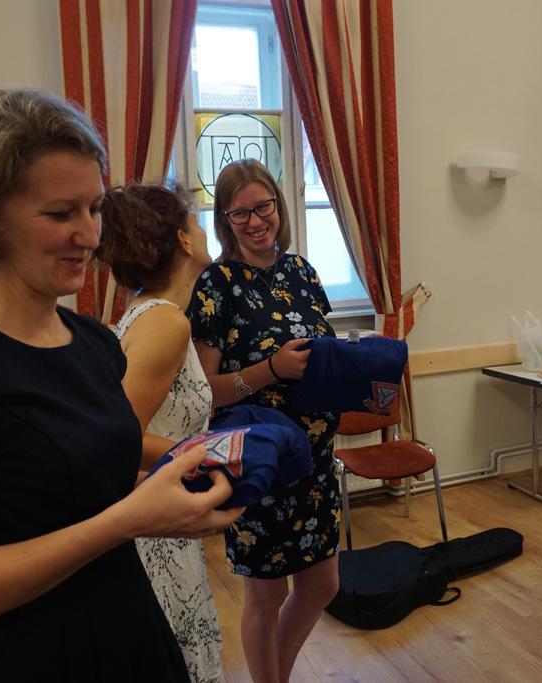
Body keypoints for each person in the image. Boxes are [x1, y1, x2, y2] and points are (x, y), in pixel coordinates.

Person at [0, 89, 242, 682]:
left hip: (131, 631)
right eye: (59, 214)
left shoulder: (93, 343)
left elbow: (89, 486)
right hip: (37, 657)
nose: (89, 235)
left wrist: (180, 495)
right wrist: (129, 520)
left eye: (94, 208)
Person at [188, 159, 340, 683]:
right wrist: (271, 370)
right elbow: (205, 393)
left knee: (322, 587)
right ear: (225, 221)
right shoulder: (216, 284)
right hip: (261, 465)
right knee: (266, 596)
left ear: (279, 204)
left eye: (263, 207)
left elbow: (321, 352)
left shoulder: (302, 272)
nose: (256, 221)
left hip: (315, 463)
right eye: (241, 213)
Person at [96, 182, 224, 682]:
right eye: (195, 221)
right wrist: (213, 454)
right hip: (153, 528)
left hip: (163, 512)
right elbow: (120, 439)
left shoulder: (150, 314)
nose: (202, 229)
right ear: (183, 240)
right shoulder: (165, 323)